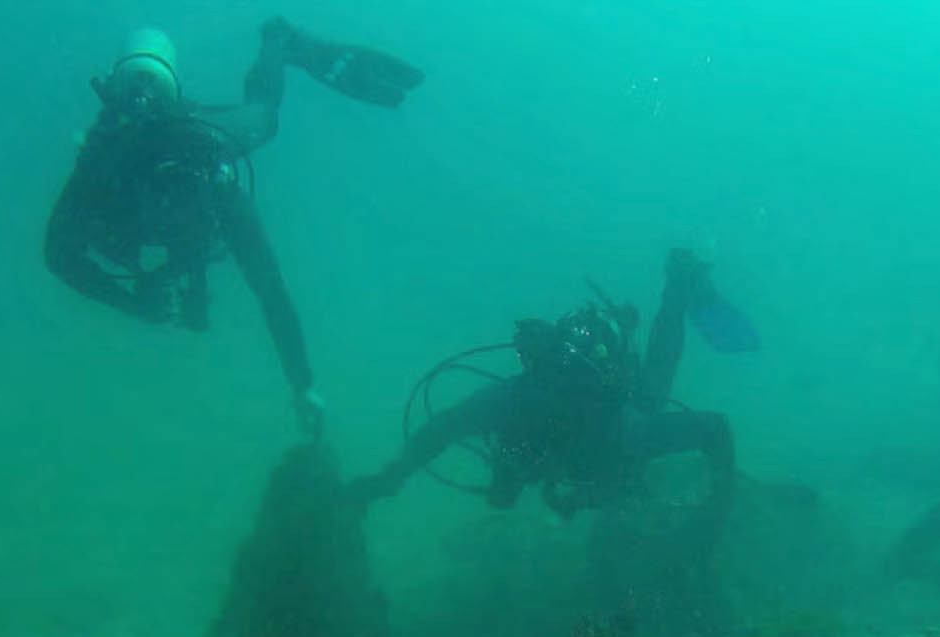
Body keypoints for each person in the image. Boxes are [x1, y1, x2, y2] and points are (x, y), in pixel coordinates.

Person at [44, 20, 424, 436]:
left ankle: (279, 42)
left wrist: (302, 385)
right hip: (174, 148)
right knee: (261, 115)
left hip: (194, 139)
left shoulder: (211, 178)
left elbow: (271, 290)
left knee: (263, 115)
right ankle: (277, 42)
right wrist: (130, 303)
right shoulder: (108, 167)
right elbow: (58, 254)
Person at [345, 250, 741, 528]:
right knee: (652, 378)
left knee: (652, 390)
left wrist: (721, 501)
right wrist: (386, 481)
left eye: (510, 459)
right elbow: (445, 426)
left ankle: (678, 285)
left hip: (622, 407)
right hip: (601, 424)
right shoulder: (515, 403)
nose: (509, 466)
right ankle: (674, 283)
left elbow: (715, 427)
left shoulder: (613, 427)